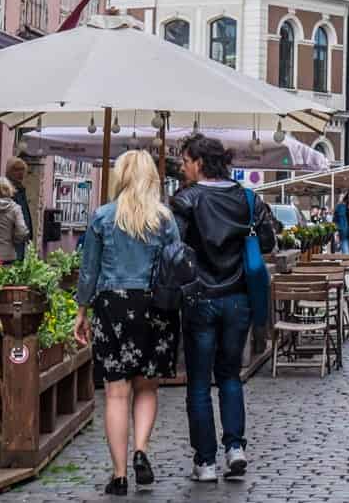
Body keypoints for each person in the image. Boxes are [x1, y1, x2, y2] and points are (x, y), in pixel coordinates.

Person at [171, 134, 277, 482]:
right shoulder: (248, 198)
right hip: (238, 298)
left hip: (199, 298)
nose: (182, 167)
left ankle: (205, 462)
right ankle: (235, 448)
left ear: (199, 163)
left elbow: (174, 249)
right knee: (230, 376)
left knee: (199, 382)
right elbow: (268, 241)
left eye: (185, 161)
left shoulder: (185, 200)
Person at [76, 150, 182, 495]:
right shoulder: (164, 219)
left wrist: (81, 310)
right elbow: (177, 264)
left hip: (113, 305)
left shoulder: (103, 217)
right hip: (155, 306)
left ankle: (119, 475)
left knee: (116, 393)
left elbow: (88, 269)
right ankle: (141, 450)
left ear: (119, 176)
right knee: (147, 387)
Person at [5, 156, 35, 260]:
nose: (20, 173)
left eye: (22, 170)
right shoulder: (6, 190)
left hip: (21, 238)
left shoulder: (21, 189)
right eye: (16, 170)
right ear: (9, 172)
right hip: (11, 239)